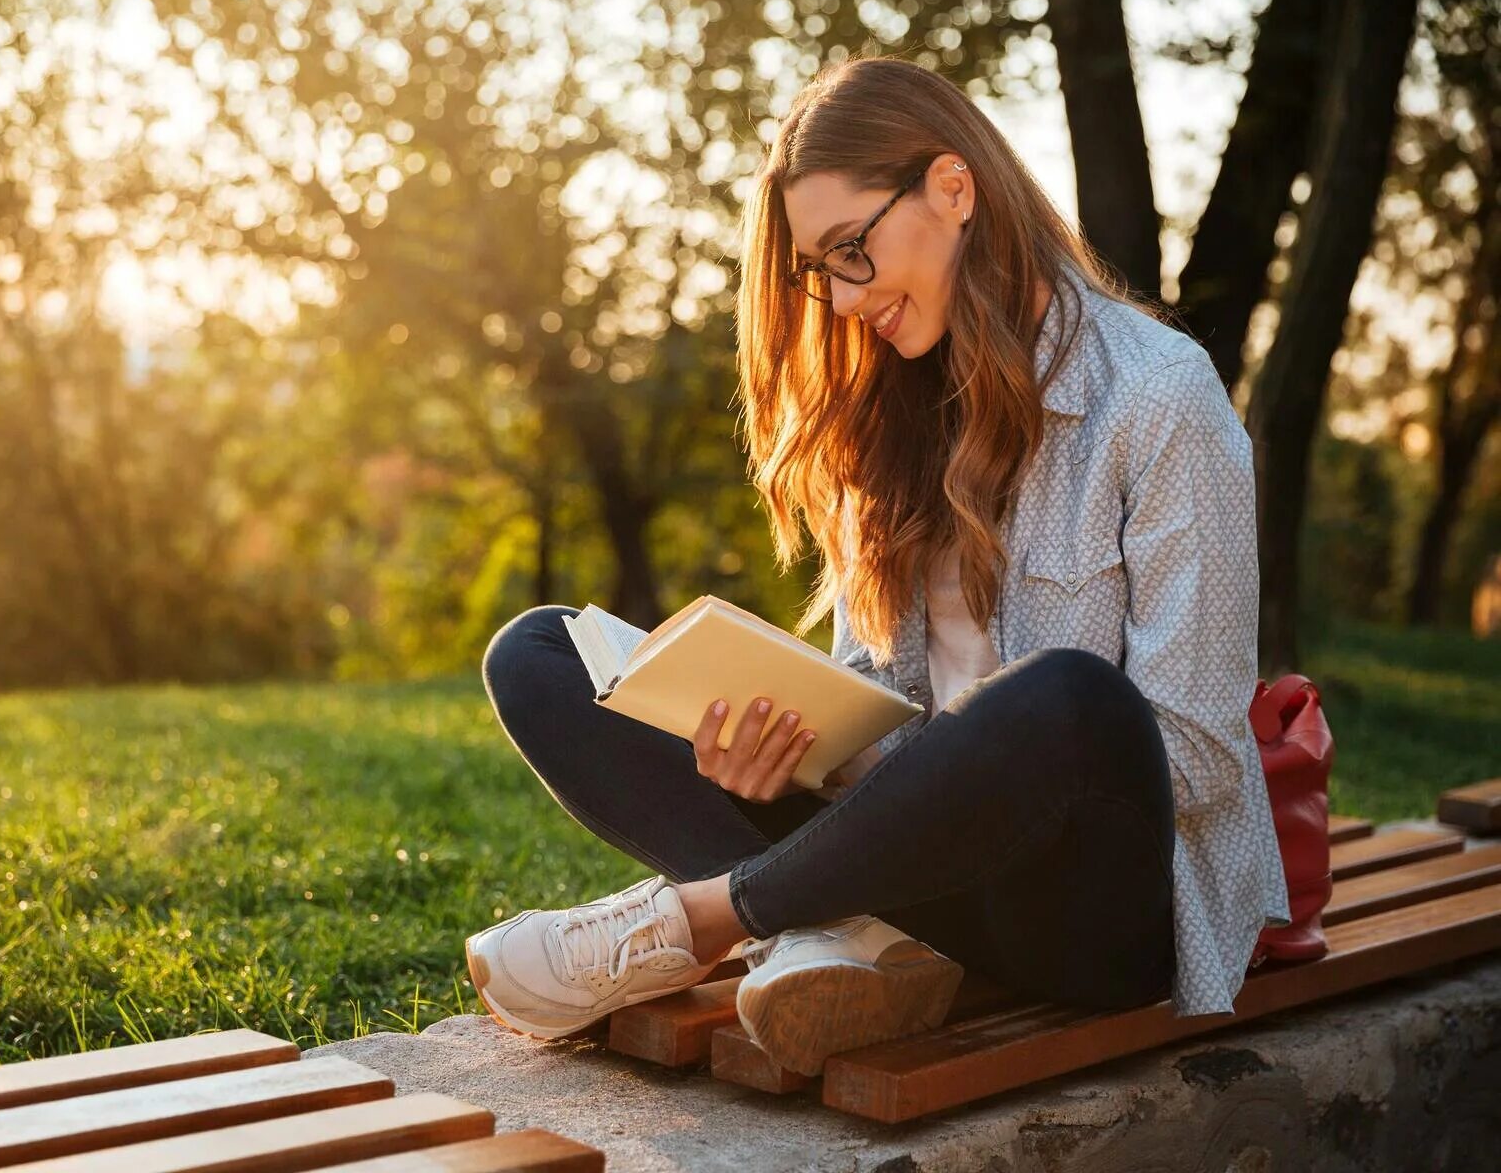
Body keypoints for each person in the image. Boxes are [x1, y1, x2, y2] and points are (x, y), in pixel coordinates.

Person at [464, 53, 1290, 1076]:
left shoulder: (1161, 398)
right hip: (906, 870)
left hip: (1090, 915)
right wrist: (793, 741)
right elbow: (875, 698)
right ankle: (844, 934)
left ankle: (708, 920)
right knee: (543, 655)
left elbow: (1197, 758)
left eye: (852, 249)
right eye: (820, 270)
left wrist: (960, 766)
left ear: (953, 187)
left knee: (1068, 699)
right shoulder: (888, 412)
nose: (844, 298)